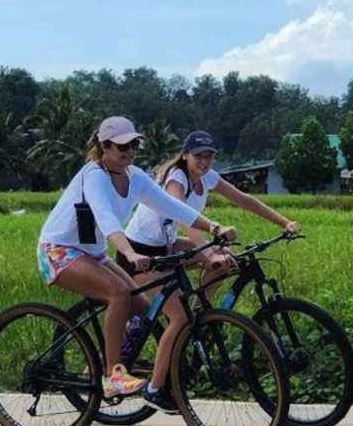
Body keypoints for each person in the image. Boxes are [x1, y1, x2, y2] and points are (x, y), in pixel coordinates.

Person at [37, 116, 236, 401]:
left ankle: (108, 371)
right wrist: (129, 252)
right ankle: (111, 376)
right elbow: (106, 219)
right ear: (104, 147)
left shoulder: (135, 177)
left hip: (92, 253)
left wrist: (214, 226)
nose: (129, 151)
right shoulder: (93, 175)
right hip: (58, 251)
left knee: (143, 310)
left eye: (133, 144)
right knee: (118, 293)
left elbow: (172, 206)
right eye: (122, 146)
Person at [121, 130, 301, 411]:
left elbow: (245, 199)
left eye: (209, 156)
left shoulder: (207, 177)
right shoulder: (177, 177)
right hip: (139, 253)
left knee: (226, 261)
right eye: (198, 156)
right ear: (185, 155)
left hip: (165, 248)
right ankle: (155, 390)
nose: (204, 161)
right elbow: (182, 215)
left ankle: (199, 318)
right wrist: (205, 251)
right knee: (178, 316)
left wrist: (284, 222)